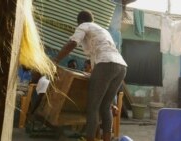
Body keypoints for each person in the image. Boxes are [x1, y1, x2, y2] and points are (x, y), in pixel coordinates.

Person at [53, 10, 127, 141]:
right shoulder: (102, 30)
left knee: (93, 107)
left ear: (80, 22)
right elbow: (97, 56)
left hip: (106, 63)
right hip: (121, 66)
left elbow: (73, 43)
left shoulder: (84, 26)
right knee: (106, 106)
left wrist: (56, 60)